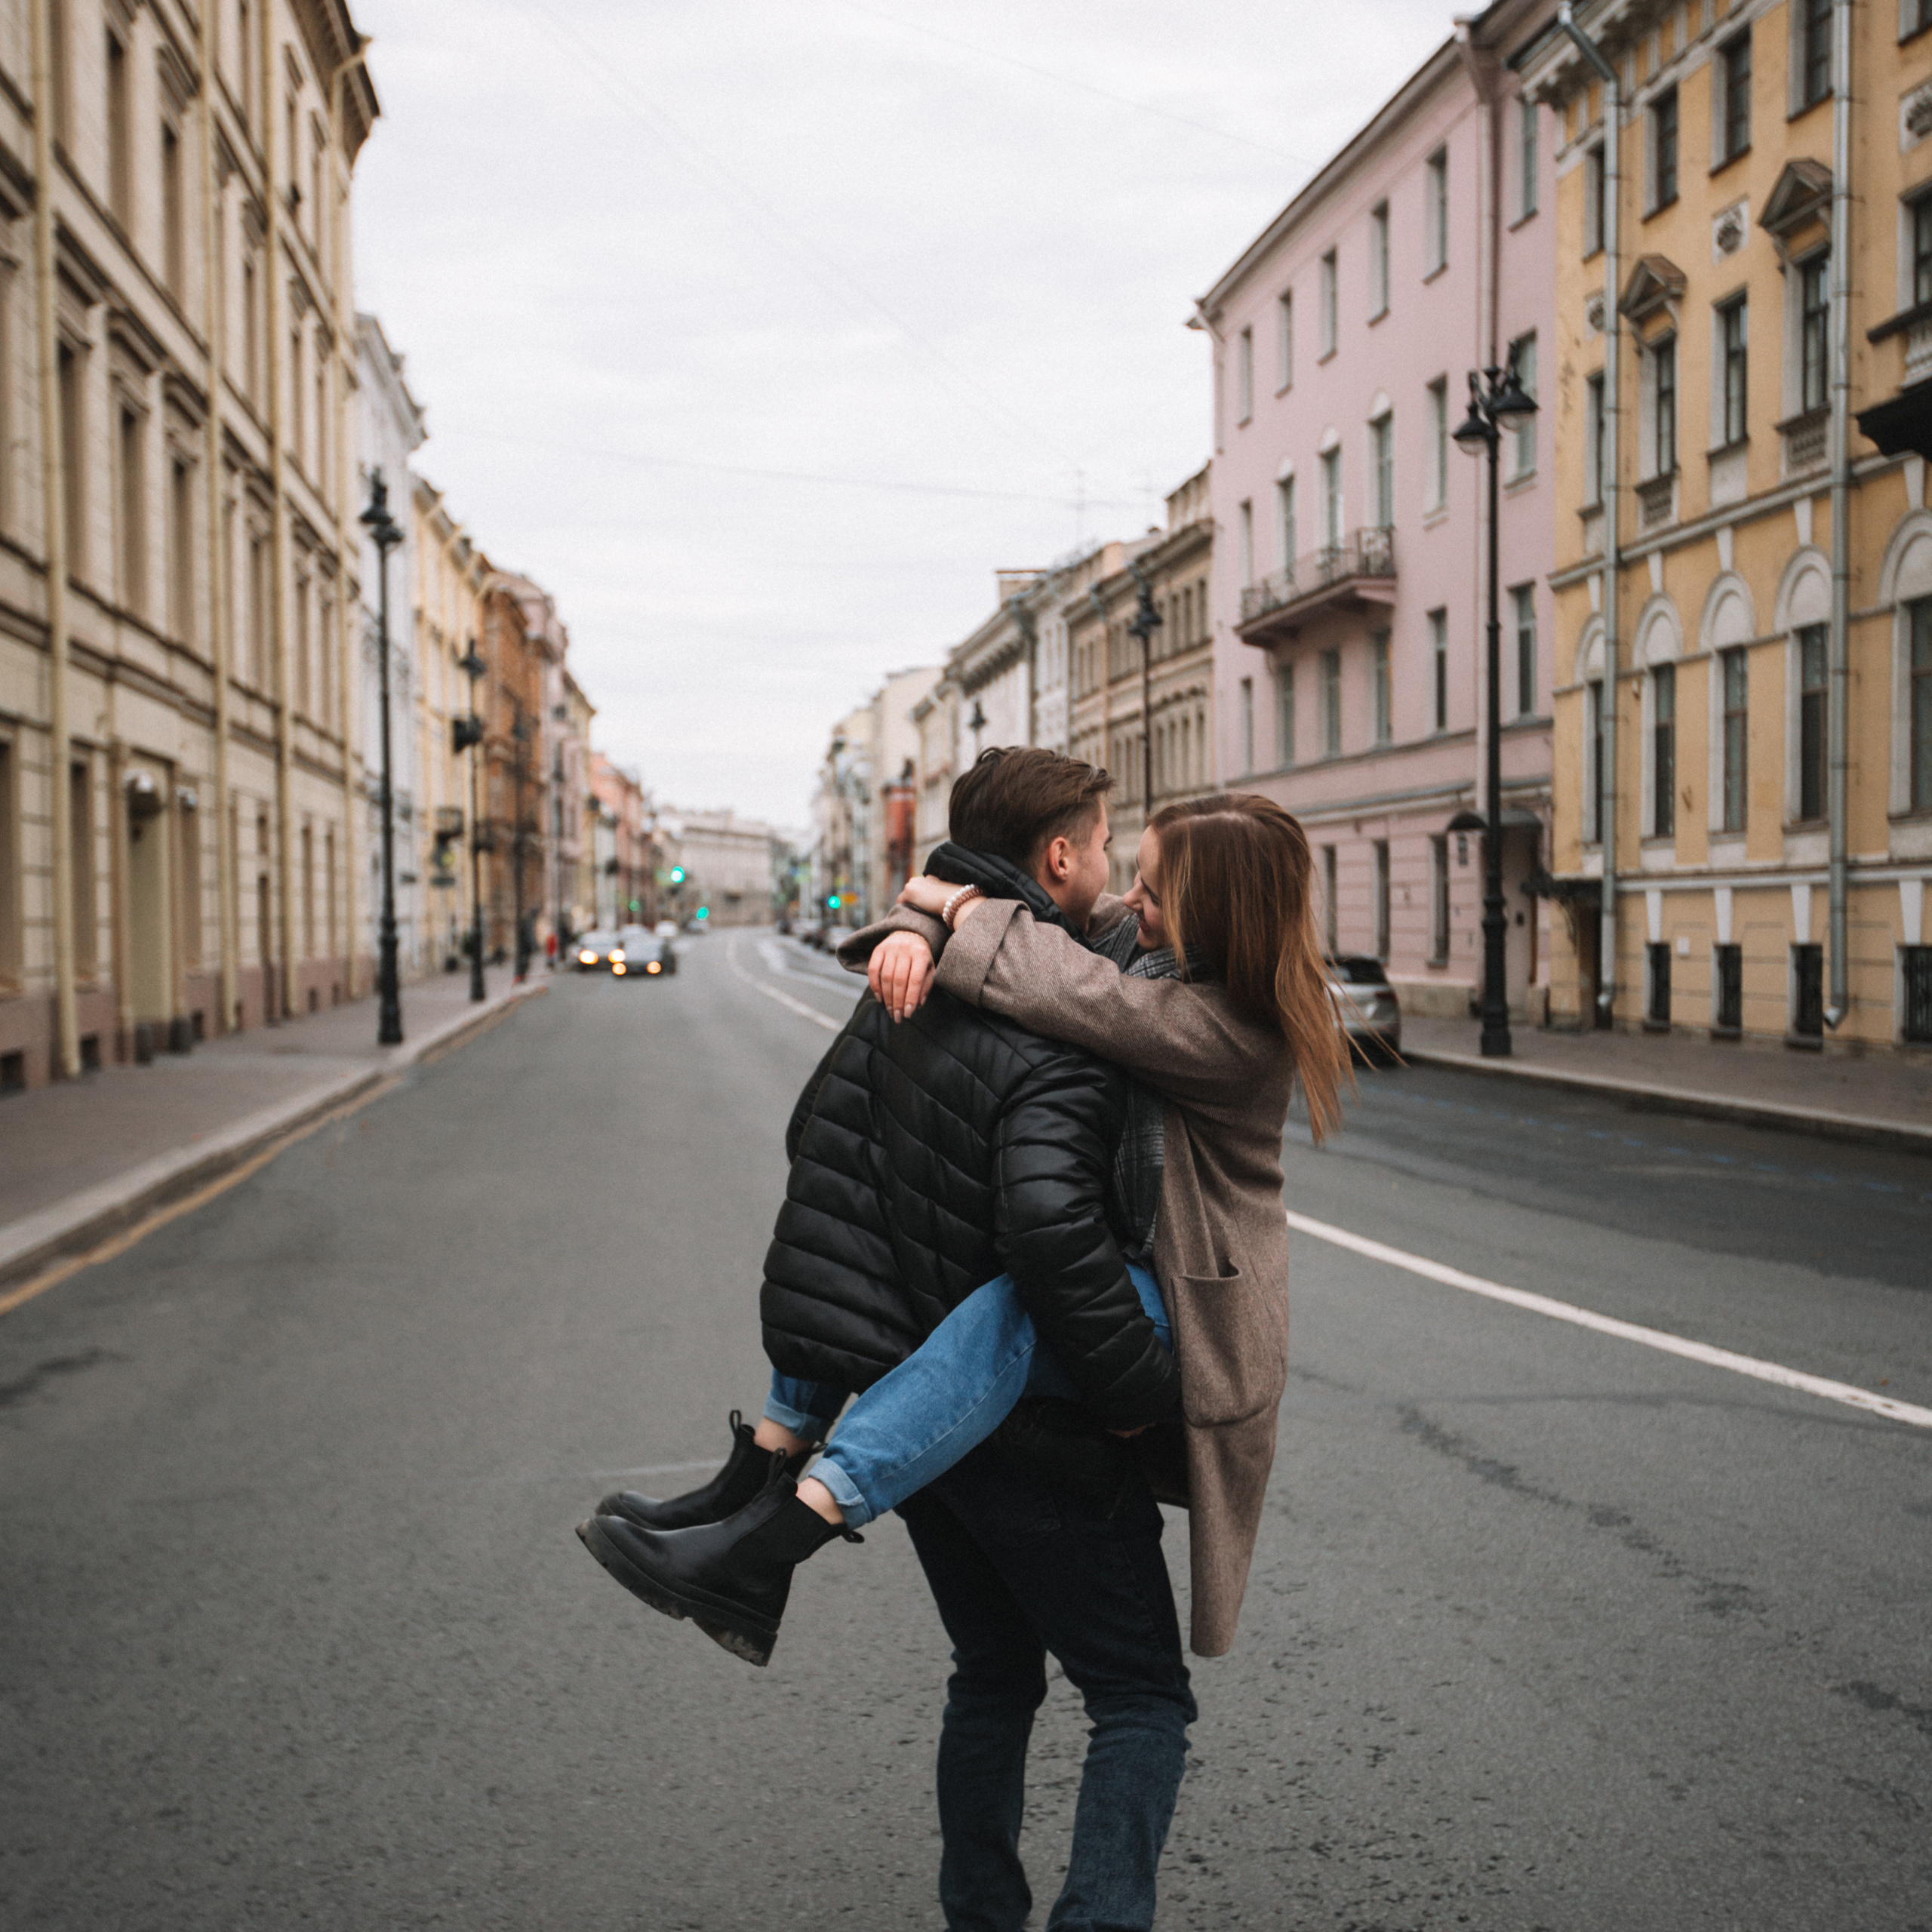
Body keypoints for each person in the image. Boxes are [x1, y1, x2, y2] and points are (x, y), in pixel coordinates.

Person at [579, 748, 1196, 1930]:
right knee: (1139, 1696)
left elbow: (832, 1153)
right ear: (1061, 858)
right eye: (1110, 851)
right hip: (1032, 1429)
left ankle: (767, 1493)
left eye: (1145, 875)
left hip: (916, 1423)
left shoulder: (960, 989)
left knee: (996, 1676)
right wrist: (1133, 1389)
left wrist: (924, 910)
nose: (1121, 882)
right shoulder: (1075, 1016)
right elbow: (1049, 1238)